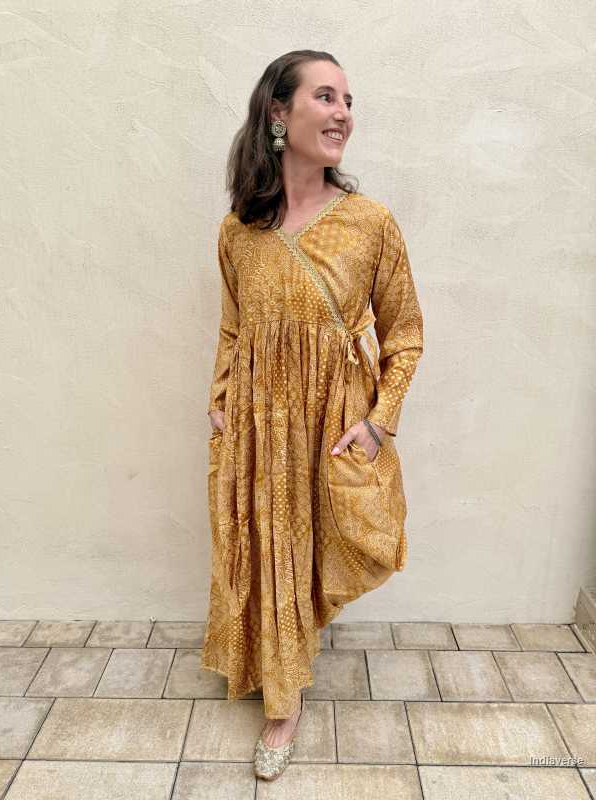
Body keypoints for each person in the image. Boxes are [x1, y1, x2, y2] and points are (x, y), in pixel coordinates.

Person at [201, 49, 424, 781]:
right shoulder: (240, 230)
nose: (342, 114)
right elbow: (234, 329)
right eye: (325, 97)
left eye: (348, 101)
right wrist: (222, 400)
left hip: (331, 425)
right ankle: (282, 701)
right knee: (270, 550)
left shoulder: (369, 222)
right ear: (277, 113)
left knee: (318, 549)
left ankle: (289, 670)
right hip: (259, 427)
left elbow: (406, 333)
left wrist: (380, 420)